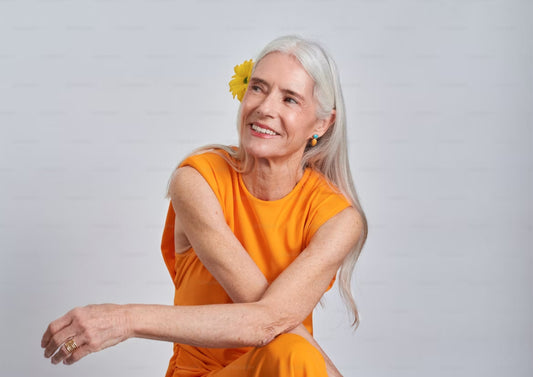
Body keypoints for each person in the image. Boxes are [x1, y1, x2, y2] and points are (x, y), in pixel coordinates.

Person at [41, 35, 368, 377]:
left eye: (289, 99)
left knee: (292, 353)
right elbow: (268, 318)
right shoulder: (198, 181)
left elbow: (269, 322)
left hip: (289, 368)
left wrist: (124, 319)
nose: (265, 108)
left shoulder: (338, 219)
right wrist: (124, 320)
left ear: (321, 123)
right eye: (258, 88)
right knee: (294, 352)